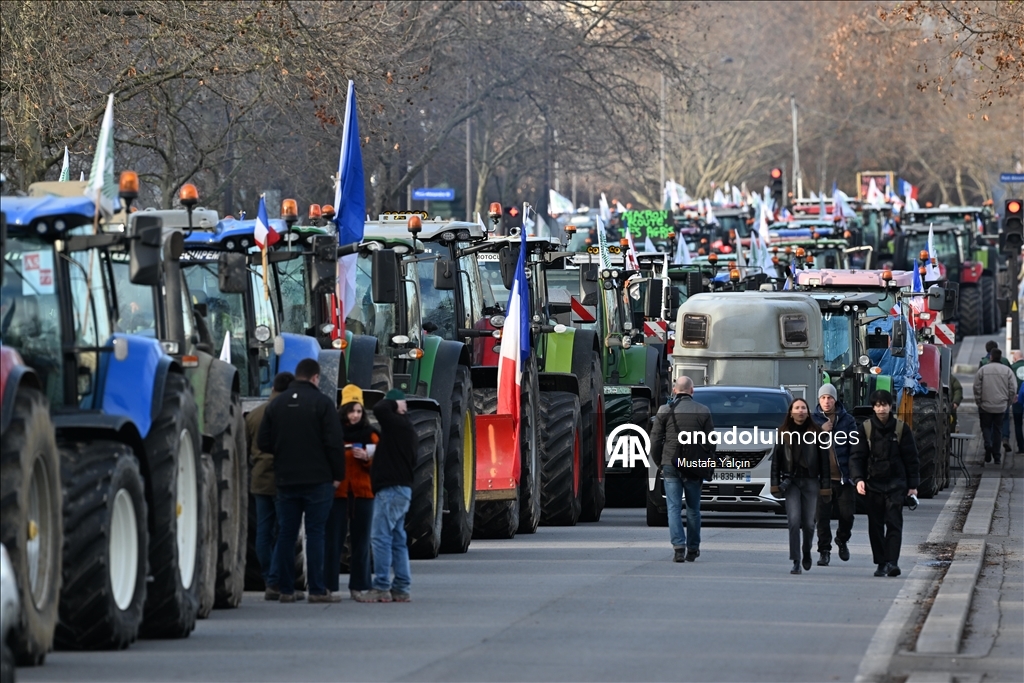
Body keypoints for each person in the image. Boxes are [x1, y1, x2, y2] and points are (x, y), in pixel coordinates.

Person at [258, 358, 346, 603]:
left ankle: (286, 590)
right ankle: (317, 590)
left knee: (286, 533)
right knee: (316, 534)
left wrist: (283, 451)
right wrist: (338, 475)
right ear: (316, 377)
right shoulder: (323, 403)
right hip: (318, 480)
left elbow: (263, 442)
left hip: (286, 479)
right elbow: (334, 443)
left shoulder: (277, 405)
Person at [849, 390, 920, 577]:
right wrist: (858, 480)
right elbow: (857, 457)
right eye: (878, 405)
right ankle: (880, 562)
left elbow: (911, 459)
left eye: (885, 405)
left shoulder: (901, 429)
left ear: (890, 406)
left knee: (894, 524)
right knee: (876, 525)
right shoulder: (864, 429)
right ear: (873, 407)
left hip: (896, 485)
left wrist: (913, 486)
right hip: (873, 485)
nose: (881, 408)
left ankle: (892, 562)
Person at [649, 376, 715, 563]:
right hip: (693, 466)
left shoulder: (664, 410)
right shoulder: (703, 411)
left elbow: (655, 441)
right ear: (692, 391)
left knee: (673, 508)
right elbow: (711, 443)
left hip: (670, 464)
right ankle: (693, 549)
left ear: (675, 391)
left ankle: (678, 548)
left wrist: (660, 462)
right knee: (693, 509)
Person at [360, 388, 417, 603]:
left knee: (380, 537)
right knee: (397, 540)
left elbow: (379, 408)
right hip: (402, 491)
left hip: (390, 491)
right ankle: (402, 587)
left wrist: (395, 402)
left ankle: (381, 586)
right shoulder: (406, 430)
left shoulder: (397, 425)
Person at [325, 384, 379, 600]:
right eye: (351, 410)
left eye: (358, 411)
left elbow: (380, 463)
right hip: (338, 494)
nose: (355, 415)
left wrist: (367, 458)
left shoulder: (371, 435)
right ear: (343, 410)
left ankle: (358, 587)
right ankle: (328, 586)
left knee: (361, 541)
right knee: (333, 541)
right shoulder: (334, 433)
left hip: (363, 494)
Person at [244, 371, 293, 601]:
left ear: (272, 388)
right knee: (284, 531)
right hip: (283, 479)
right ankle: (276, 580)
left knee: (263, 532)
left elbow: (245, 448)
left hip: (258, 478)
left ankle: (267, 577)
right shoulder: (287, 413)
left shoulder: (253, 415)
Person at [770, 398, 832, 575]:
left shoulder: (817, 433)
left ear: (808, 411)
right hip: (792, 483)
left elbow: (824, 463)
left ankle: (806, 551)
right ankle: (796, 560)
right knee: (794, 521)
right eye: (797, 408)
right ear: (791, 412)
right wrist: (775, 485)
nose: (800, 411)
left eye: (803, 408)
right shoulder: (783, 433)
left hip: (811, 482)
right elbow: (776, 462)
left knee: (809, 524)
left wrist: (826, 487)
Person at [811, 384, 858, 566]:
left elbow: (855, 448)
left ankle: (842, 539)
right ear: (819, 400)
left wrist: (856, 474)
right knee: (822, 518)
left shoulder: (847, 420)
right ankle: (824, 551)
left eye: (829, 398)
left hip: (843, 477)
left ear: (835, 399)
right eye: (823, 398)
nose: (826, 401)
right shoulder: (812, 421)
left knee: (847, 516)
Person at [973, 349, 1017, 466]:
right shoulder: (1007, 371)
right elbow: (1013, 388)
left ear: (991, 357)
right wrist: (1008, 402)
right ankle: (997, 457)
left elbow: (976, 386)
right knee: (998, 430)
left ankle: (988, 444)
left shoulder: (983, 370)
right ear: (1000, 357)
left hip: (985, 405)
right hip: (1001, 405)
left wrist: (979, 401)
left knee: (986, 426)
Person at [1010, 351, 1024, 453]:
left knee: (1018, 424)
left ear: (1015, 359)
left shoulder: (1012, 368)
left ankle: (1021, 447)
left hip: (1017, 399)